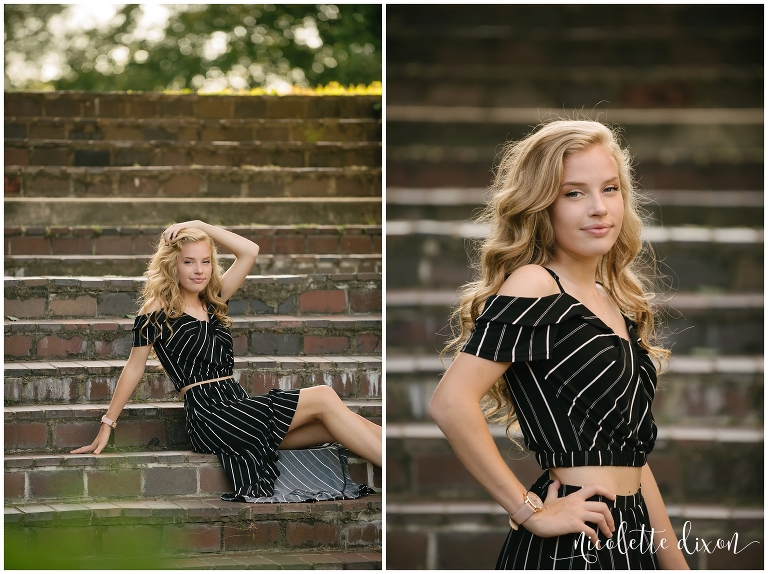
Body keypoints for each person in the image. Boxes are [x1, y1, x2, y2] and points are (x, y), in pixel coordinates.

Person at [430, 120, 689, 569]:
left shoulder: (613, 300)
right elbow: (451, 402)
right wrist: (528, 511)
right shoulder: (534, 284)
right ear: (541, 206)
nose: (598, 208)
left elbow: (632, 458)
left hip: (632, 533)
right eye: (573, 193)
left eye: (610, 189)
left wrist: (675, 564)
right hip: (575, 537)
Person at [72, 220, 382, 501]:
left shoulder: (213, 298)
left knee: (331, 426)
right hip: (210, 414)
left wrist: (197, 224)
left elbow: (249, 251)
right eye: (189, 262)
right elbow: (134, 366)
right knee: (325, 396)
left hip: (235, 402)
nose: (199, 270)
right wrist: (107, 423)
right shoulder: (156, 309)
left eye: (205, 261)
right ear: (173, 266)